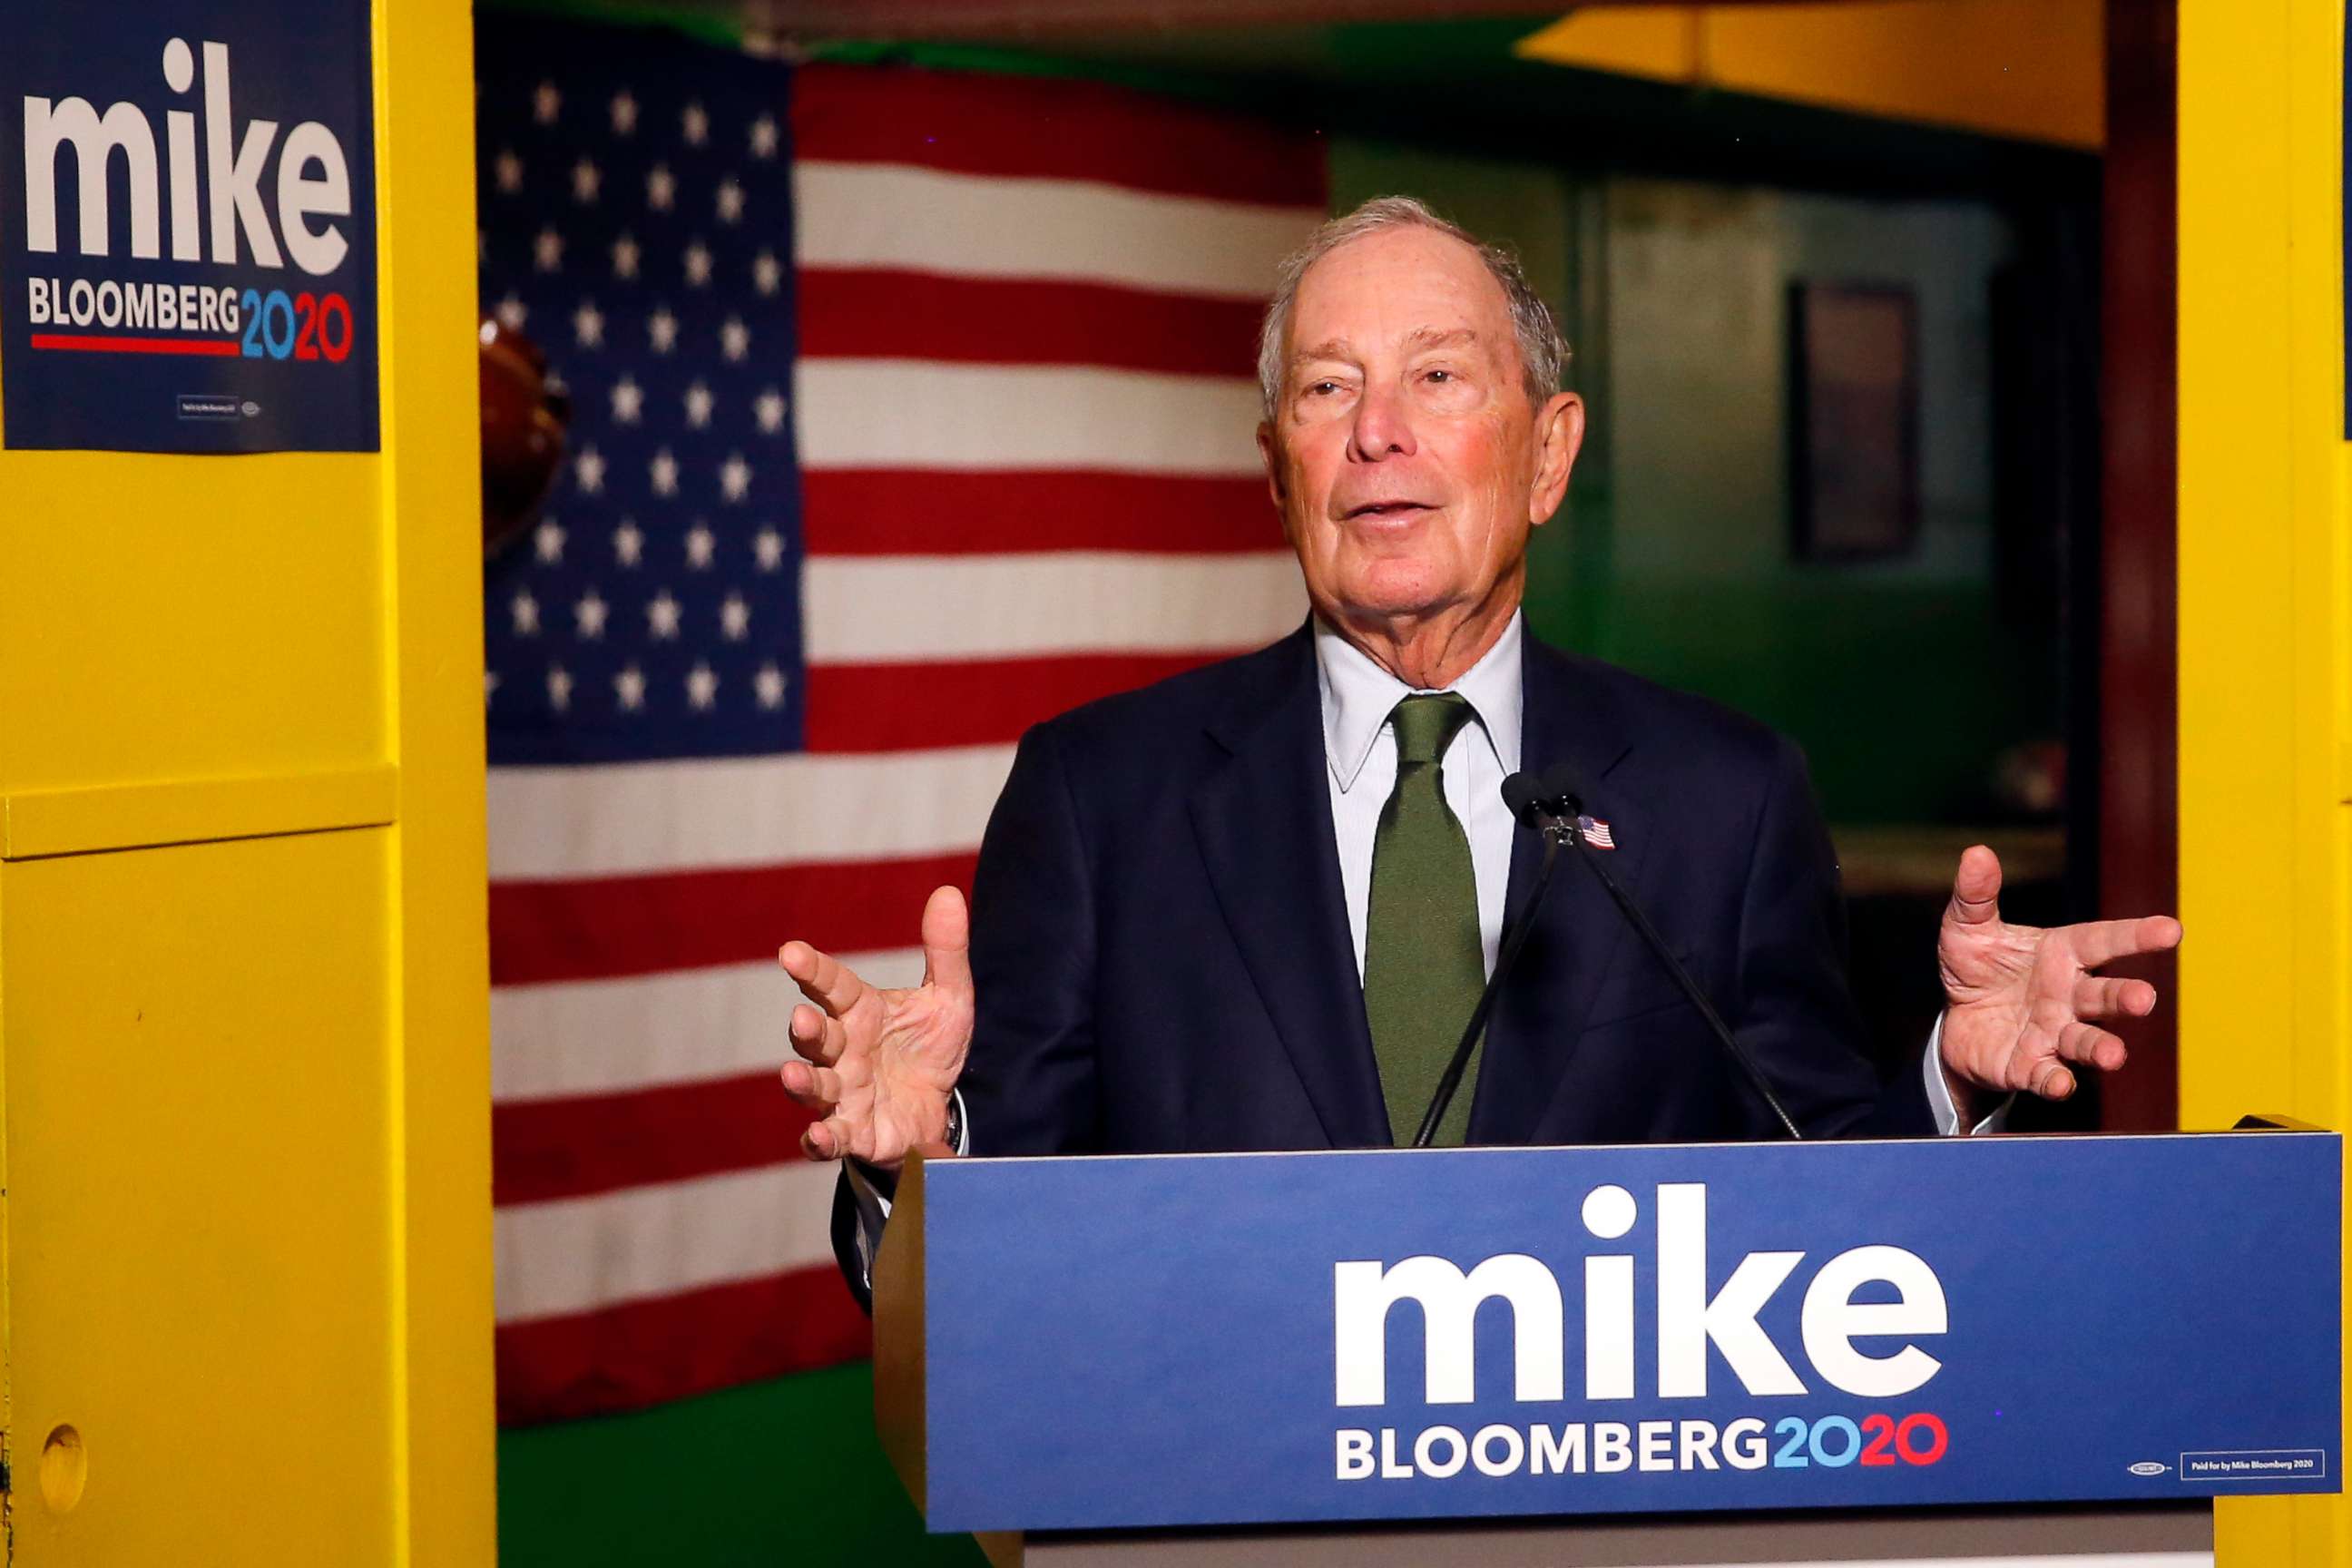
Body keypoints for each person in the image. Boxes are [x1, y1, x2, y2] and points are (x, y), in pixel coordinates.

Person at [776, 197, 2181, 1308]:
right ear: (1280, 468)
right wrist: (921, 1165)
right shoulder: (1099, 799)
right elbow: (987, 1291)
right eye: (1328, 391)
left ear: (1550, 454)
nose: (1378, 432)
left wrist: (1953, 1080)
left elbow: (1826, 1227)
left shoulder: (1723, 798)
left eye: (1437, 376)